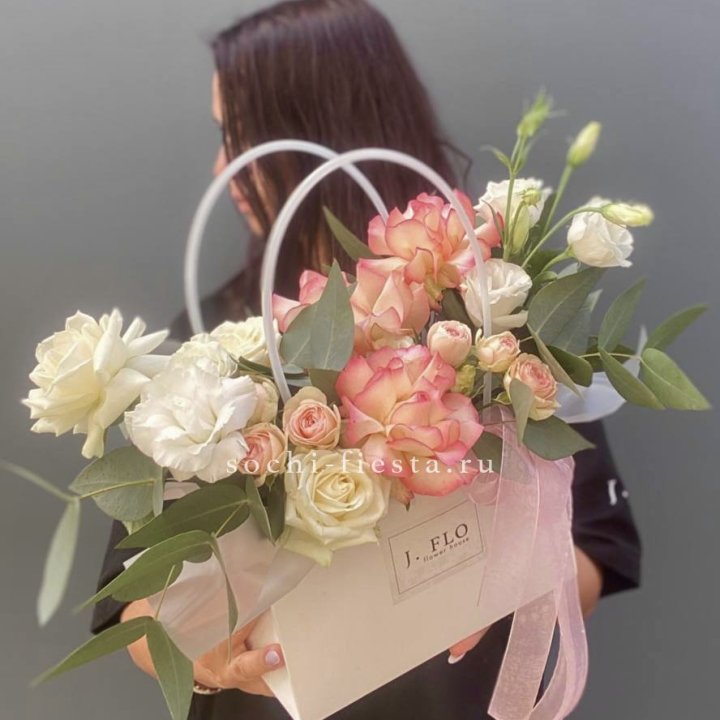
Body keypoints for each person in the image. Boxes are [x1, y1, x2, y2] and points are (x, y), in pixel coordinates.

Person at [90, 2, 641, 718]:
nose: (225, 166)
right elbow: (133, 597)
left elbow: (596, 543)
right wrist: (206, 659)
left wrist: (501, 583)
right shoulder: (217, 346)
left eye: (240, 133)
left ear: (318, 126)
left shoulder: (486, 314)